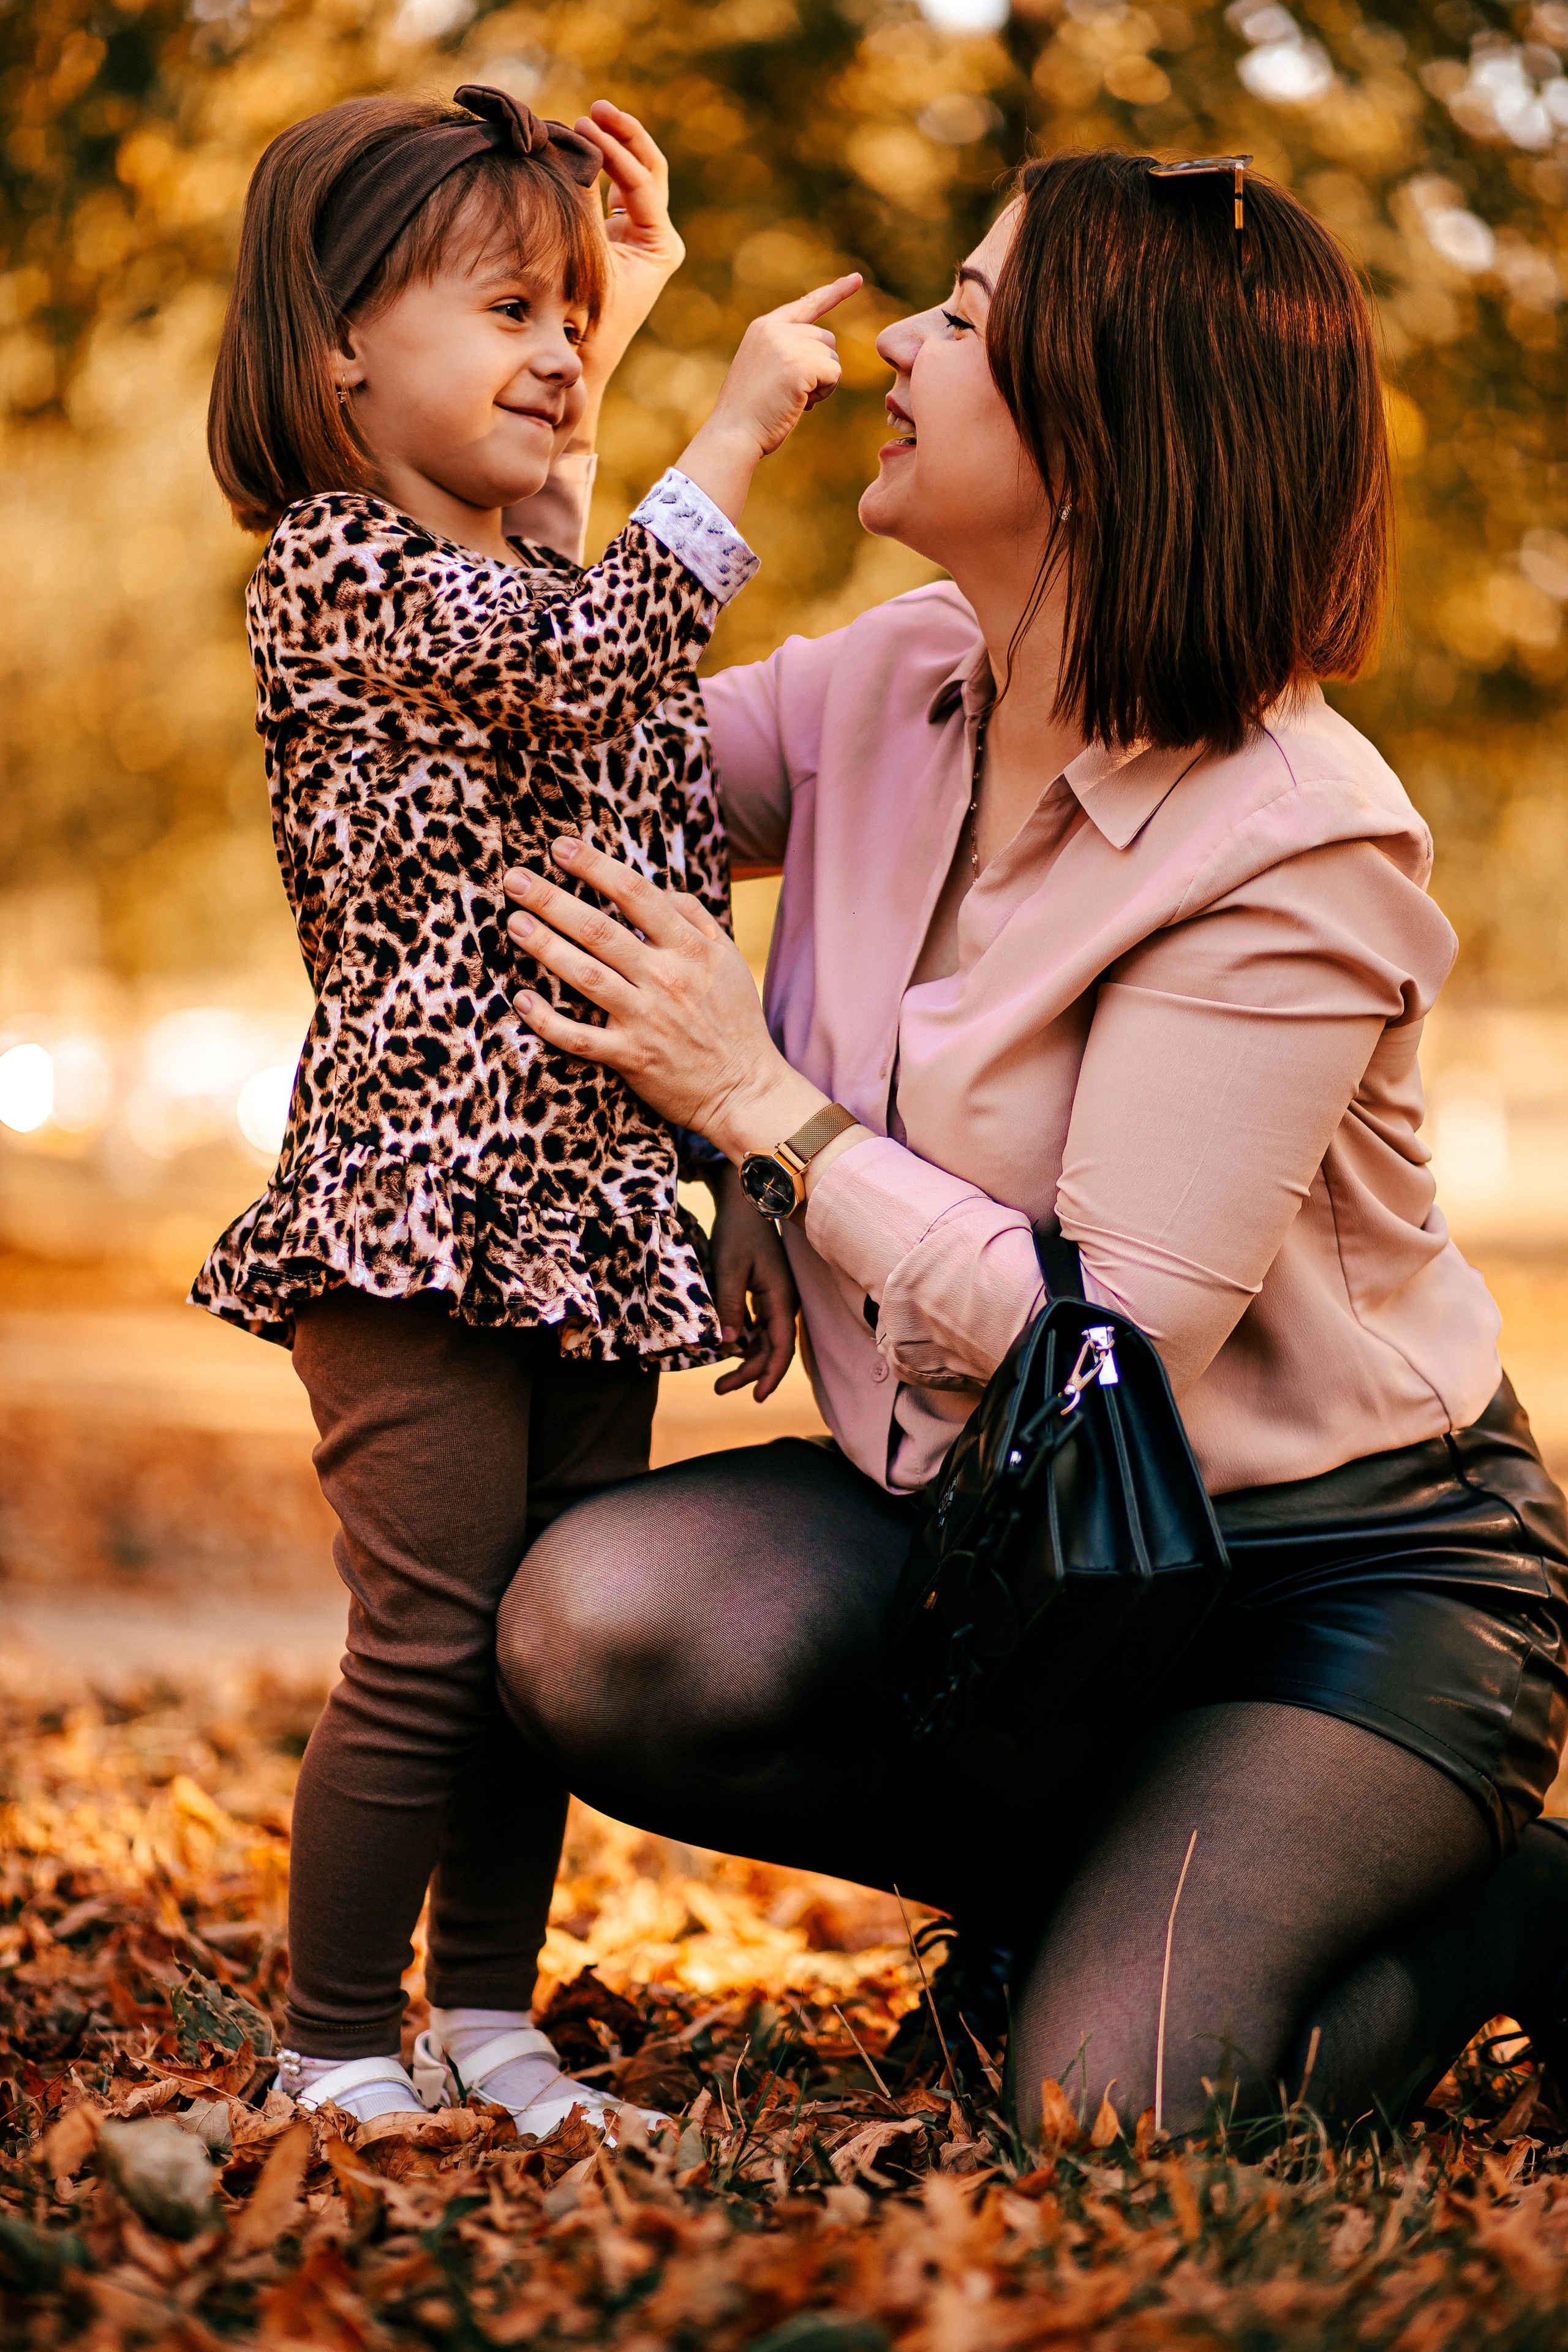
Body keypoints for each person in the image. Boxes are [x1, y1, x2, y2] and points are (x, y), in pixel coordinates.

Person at [491, 149, 1568, 2139]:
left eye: (965, 316)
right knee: (598, 1627)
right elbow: (546, 764)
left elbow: (1108, 1355)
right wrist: (561, 399)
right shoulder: (901, 677)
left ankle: (1517, 1914)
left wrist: (763, 1113)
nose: (897, 342)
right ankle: (1090, 1884)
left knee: (1113, 2112)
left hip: (1333, 1572)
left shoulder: (1298, 841)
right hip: (1007, 1539)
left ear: (1102, 428)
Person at [194, 83, 849, 2128]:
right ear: (335, 350)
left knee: (531, 1651)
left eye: (563, 317)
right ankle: (330, 2048)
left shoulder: (517, 562)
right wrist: (728, 429)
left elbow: (648, 844)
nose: (558, 353)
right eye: (505, 311)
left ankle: (489, 2025)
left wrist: (734, 1174)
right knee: (425, 1637)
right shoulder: (335, 566)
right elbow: (580, 652)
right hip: (411, 1205)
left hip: (577, 1205)